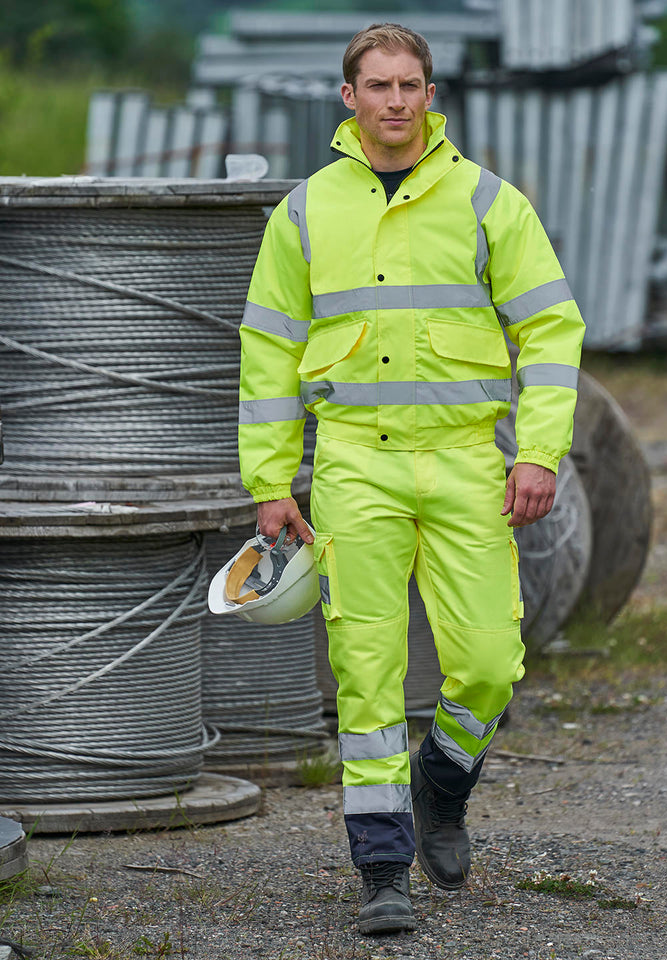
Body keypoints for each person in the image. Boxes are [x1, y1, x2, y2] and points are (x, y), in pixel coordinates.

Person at [237, 22, 585, 935]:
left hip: (468, 459)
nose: (396, 100)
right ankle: (382, 869)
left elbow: (550, 330)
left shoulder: (486, 202)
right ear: (347, 98)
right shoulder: (306, 213)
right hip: (355, 460)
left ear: (432, 96)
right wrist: (273, 481)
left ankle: (442, 779)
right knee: (367, 673)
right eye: (378, 85)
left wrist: (540, 449)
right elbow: (268, 353)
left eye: (411, 85)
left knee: (486, 663)